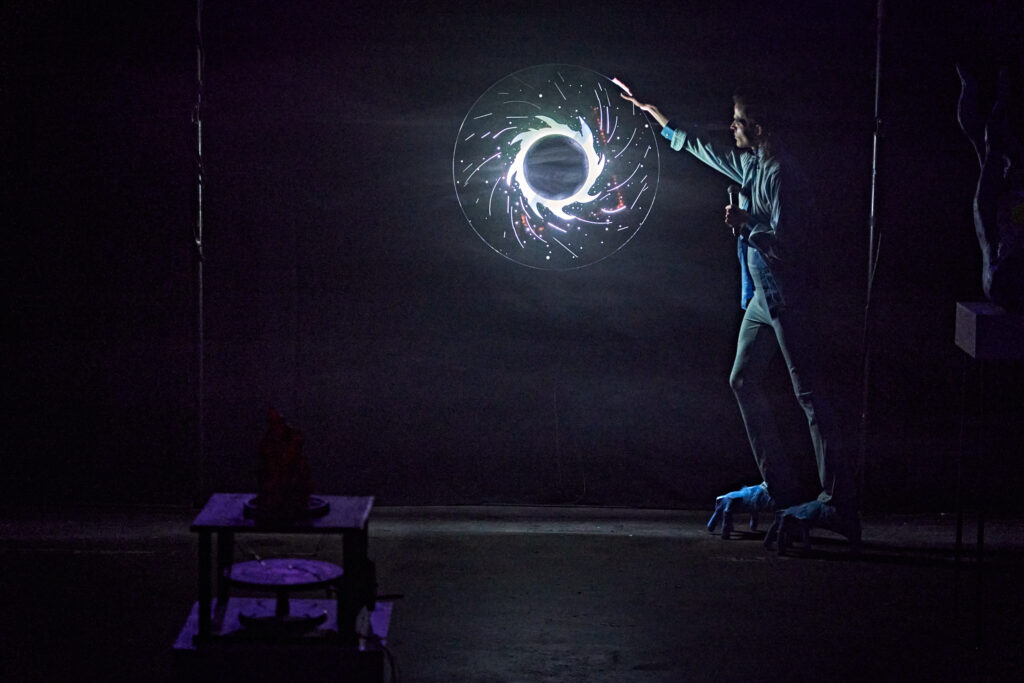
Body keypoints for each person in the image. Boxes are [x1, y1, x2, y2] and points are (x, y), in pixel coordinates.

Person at [621, 87, 860, 551]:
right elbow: (707, 151)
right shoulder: (752, 164)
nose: (732, 127)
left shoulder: (781, 175)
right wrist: (658, 116)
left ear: (760, 129)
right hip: (763, 300)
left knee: (810, 395)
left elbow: (790, 247)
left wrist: (746, 223)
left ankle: (838, 502)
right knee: (743, 379)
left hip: (787, 297)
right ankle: (781, 487)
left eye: (738, 121)